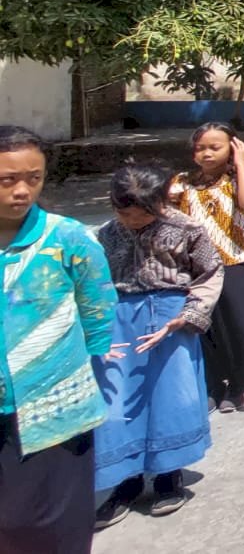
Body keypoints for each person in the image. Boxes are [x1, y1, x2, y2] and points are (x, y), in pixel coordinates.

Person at [0, 126, 118, 554]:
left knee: (52, 524)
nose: (22, 190)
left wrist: (81, 366)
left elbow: (98, 308)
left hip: (56, 407)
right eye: (7, 180)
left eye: (33, 178)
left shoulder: (67, 239)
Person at [92, 164, 220, 529]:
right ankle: (125, 481)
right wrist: (95, 331)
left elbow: (210, 274)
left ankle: (168, 477)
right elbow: (94, 283)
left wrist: (190, 315)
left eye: (142, 213)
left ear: (161, 202)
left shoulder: (187, 229)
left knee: (169, 399)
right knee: (118, 399)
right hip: (119, 321)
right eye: (124, 212)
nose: (132, 220)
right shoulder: (106, 234)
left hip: (170, 319)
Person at [168, 124, 244, 413]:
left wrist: (241, 163)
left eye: (215, 147)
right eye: (201, 148)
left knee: (240, 326)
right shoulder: (182, 181)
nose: (207, 153)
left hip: (235, 261)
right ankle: (214, 384)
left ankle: (238, 385)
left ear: (233, 147)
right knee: (204, 328)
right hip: (196, 267)